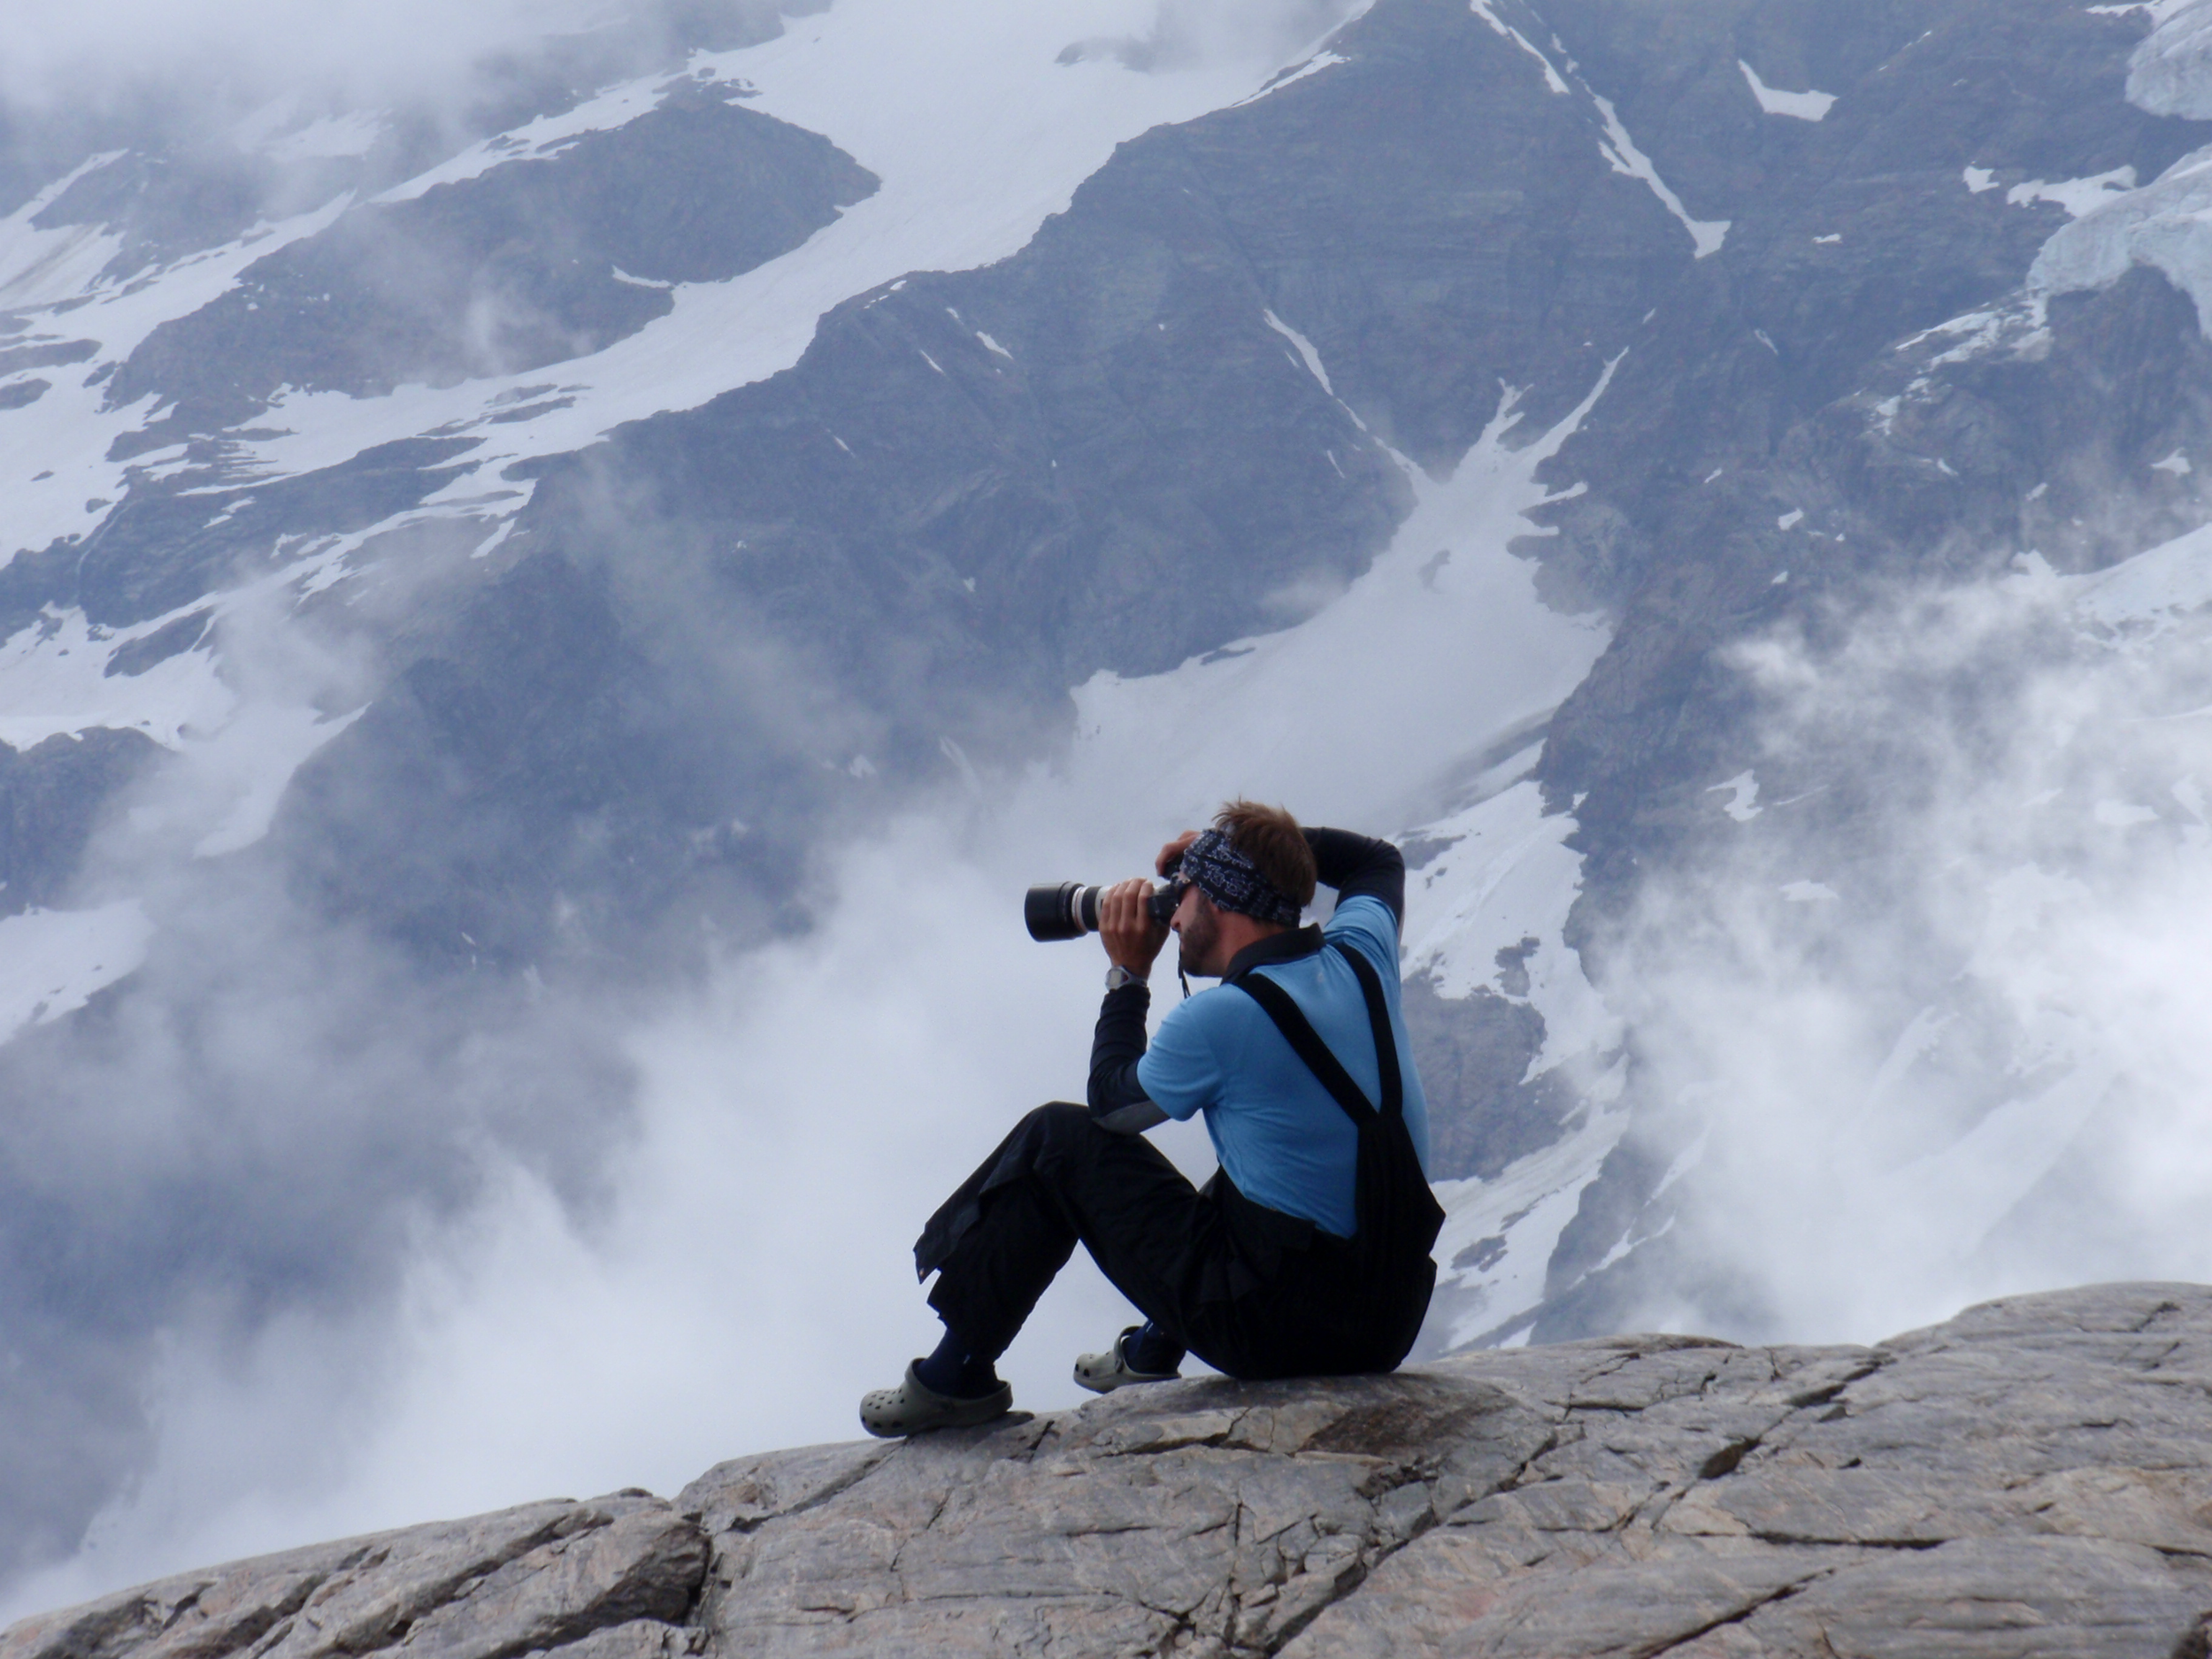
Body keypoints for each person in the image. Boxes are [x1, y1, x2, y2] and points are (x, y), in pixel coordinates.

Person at [858, 800, 1439, 1436]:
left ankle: (953, 1378)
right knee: (1272, 1156)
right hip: (1390, 1317)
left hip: (1284, 1334)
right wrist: (1261, 848)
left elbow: (1112, 1107)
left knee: (1057, 1138)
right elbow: (1376, 859)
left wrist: (1128, 973)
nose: (1172, 909)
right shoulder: (1364, 954)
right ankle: (1149, 1353)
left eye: (1181, 893)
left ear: (1215, 901)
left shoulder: (1222, 1019)